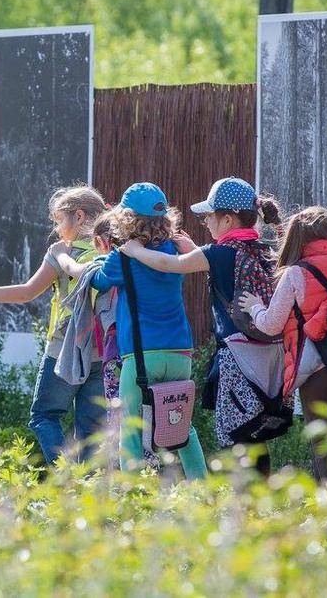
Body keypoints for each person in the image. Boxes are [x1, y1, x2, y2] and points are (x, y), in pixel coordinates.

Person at [121, 177, 285, 475]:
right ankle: (263, 505)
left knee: (234, 438)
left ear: (227, 218)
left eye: (209, 215)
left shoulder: (218, 253)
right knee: (255, 434)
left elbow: (170, 264)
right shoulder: (263, 250)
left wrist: (134, 251)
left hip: (238, 358)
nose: (205, 221)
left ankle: (243, 511)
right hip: (272, 356)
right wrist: (197, 248)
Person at [0, 186, 108, 464]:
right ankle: (90, 495)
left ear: (78, 216)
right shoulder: (110, 251)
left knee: (44, 416)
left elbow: (28, 292)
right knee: (91, 431)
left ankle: (66, 482)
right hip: (102, 349)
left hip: (65, 347)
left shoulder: (62, 252)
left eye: (58, 220)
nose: (55, 228)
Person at [81, 183, 207, 476]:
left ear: (124, 219)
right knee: (180, 425)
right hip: (180, 351)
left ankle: (133, 493)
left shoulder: (122, 256)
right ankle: (203, 489)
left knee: (131, 426)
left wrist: (94, 259)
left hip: (140, 356)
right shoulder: (175, 250)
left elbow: (98, 282)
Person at [239, 206, 327, 483]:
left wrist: (255, 308)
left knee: (324, 450)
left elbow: (271, 324)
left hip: (314, 369)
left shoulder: (295, 273)